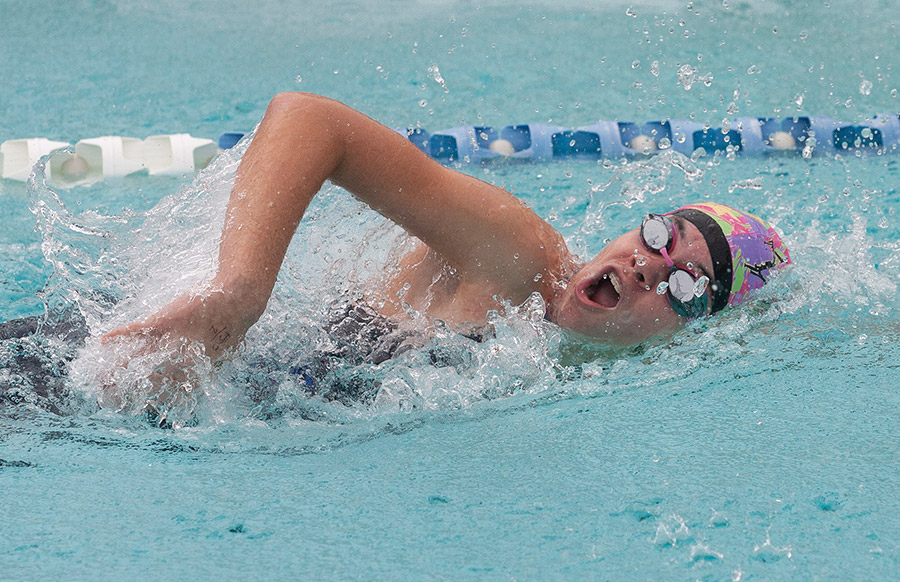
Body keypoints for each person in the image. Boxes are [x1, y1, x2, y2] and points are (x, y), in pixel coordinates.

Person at [100, 92, 791, 362]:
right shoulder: (518, 253)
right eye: (659, 238)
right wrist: (239, 296)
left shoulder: (564, 366)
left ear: (691, 333)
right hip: (115, 360)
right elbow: (308, 119)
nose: (651, 267)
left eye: (685, 287)